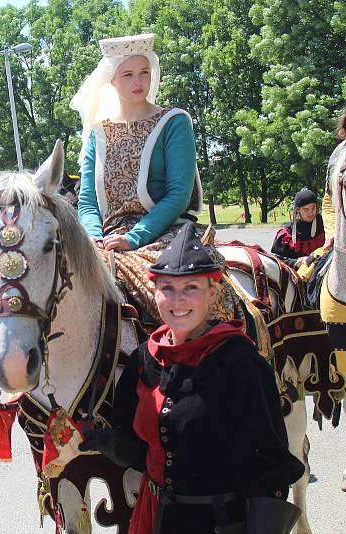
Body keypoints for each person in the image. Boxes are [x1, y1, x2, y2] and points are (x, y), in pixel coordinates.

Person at [79, 222, 304, 533]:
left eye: (191, 288)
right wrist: (103, 440)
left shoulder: (241, 364)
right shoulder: (145, 360)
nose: (177, 300)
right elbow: (139, 451)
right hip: (156, 518)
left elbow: (268, 471)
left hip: (222, 523)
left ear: (212, 293)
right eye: (167, 288)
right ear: (153, 291)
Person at [70, 33, 211, 322]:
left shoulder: (174, 122)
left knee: (178, 302)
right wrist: (94, 238)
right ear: (112, 79)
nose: (138, 82)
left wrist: (133, 238)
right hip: (106, 237)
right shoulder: (99, 132)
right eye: (129, 74)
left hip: (166, 232)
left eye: (144, 73)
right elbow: (87, 200)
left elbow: (178, 194)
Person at [271, 187, 326, 268]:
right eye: (306, 209)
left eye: (313, 208)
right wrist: (295, 262)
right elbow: (275, 259)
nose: (311, 212)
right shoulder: (286, 233)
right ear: (297, 210)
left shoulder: (325, 225)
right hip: (295, 276)